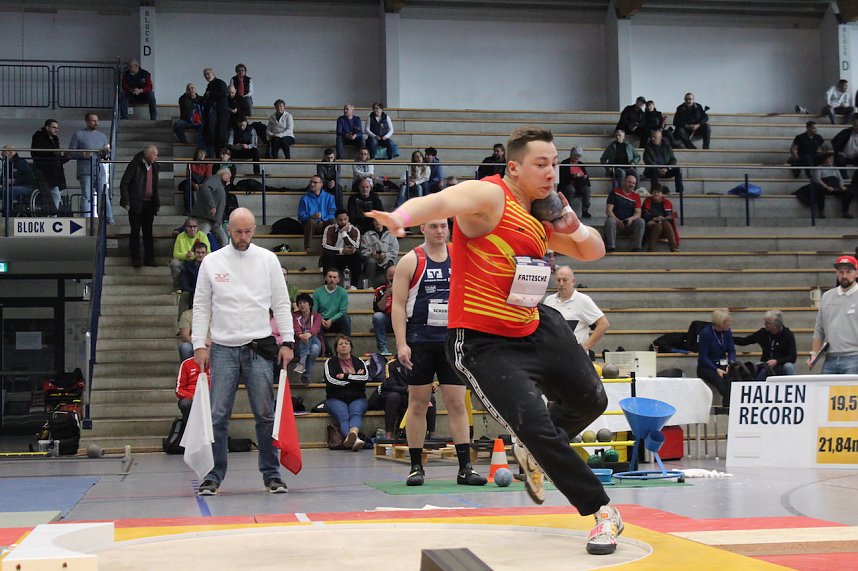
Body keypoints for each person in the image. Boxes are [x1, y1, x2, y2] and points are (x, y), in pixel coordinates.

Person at [367, 127, 622, 556]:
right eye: (541, 164)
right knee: (536, 425)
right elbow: (444, 201)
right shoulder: (491, 198)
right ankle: (601, 511)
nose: (551, 172)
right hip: (483, 343)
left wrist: (569, 221)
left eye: (555, 163)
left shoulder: (542, 216)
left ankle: (536, 450)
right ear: (514, 167)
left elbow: (593, 250)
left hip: (535, 325)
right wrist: (401, 218)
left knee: (592, 400)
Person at [192, 207, 295, 496]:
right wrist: (199, 344)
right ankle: (213, 475)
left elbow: (282, 302)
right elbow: (201, 306)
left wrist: (287, 341)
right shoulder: (211, 262)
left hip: (259, 347)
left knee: (264, 415)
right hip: (223, 348)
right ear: (228, 228)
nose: (243, 236)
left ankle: (272, 475)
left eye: (248, 231)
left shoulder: (268, 260)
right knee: (217, 416)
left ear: (254, 230)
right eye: (238, 231)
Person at [390, 218, 487, 489]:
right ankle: (416, 467)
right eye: (433, 226)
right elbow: (398, 306)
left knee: (456, 402)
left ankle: (465, 468)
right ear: (422, 229)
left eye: (444, 226)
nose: (440, 231)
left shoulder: (460, 256)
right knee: (418, 403)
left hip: (451, 340)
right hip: (420, 339)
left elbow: (473, 294)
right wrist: (401, 343)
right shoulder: (411, 260)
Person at [542, 266, 609, 357]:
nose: (561, 283)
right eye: (558, 280)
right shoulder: (549, 300)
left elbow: (603, 324)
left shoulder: (583, 300)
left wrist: (585, 346)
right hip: (553, 355)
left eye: (565, 280)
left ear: (573, 281)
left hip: (576, 357)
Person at [808, 255, 858, 374]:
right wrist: (814, 354)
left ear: (856, 273)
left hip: (855, 357)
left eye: (848, 272)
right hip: (830, 357)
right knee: (825, 391)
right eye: (841, 272)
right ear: (836, 273)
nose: (844, 276)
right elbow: (819, 328)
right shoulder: (827, 297)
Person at [368, 357, 436, 439]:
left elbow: (424, 382)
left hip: (411, 395)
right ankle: (389, 434)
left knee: (430, 398)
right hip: (394, 394)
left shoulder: (419, 363)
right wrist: (408, 389)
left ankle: (431, 434)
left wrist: (430, 386)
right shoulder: (392, 364)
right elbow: (391, 386)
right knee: (393, 397)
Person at [323, 335, 369, 451]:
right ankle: (355, 439)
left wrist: (345, 376)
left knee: (355, 413)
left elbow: (364, 378)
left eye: (346, 343)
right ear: (336, 348)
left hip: (357, 397)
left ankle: (353, 434)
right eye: (340, 344)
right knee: (344, 416)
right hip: (335, 398)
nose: (344, 346)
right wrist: (353, 380)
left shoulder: (359, 361)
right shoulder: (330, 362)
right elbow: (330, 380)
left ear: (351, 347)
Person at [119, 144, 160, 268]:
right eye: (154, 154)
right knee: (135, 232)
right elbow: (124, 183)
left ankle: (150, 259)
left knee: (148, 232)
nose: (156, 157)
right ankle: (136, 258)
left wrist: (156, 203)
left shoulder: (155, 167)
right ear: (147, 154)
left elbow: (155, 186)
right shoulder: (134, 165)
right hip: (136, 204)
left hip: (149, 204)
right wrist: (126, 201)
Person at [69, 112, 113, 222]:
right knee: (86, 196)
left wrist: (106, 152)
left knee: (103, 195)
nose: (96, 123)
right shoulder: (78, 135)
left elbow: (106, 156)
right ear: (87, 122)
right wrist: (82, 154)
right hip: (85, 170)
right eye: (93, 120)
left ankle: (108, 219)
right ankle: (85, 220)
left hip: (99, 170)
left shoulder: (102, 136)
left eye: (97, 120)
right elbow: (71, 152)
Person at [734, 310, 797, 378]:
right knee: (759, 368)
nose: (764, 324)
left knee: (789, 366)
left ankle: (795, 384)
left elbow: (792, 357)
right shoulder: (763, 333)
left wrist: (777, 361)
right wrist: (728, 338)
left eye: (767, 323)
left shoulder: (787, 334)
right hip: (765, 364)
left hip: (781, 365)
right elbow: (745, 341)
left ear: (775, 326)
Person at [696, 308, 736, 405]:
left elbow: (731, 350)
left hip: (723, 364)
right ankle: (730, 404)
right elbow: (703, 357)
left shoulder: (727, 331)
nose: (729, 323)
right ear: (720, 322)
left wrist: (730, 363)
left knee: (733, 379)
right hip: (708, 366)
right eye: (727, 321)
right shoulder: (706, 333)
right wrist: (716, 369)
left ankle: (729, 403)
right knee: (720, 381)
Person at [794, 152, 852, 219]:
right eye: (829, 159)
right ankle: (821, 212)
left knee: (847, 191)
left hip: (835, 186)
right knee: (820, 191)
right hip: (824, 186)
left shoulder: (835, 168)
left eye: (832, 159)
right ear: (824, 160)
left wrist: (842, 186)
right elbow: (817, 179)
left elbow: (840, 179)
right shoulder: (819, 168)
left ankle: (845, 212)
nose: (831, 160)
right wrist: (826, 187)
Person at [30, 118, 68, 213]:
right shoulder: (38, 136)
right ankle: (52, 215)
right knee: (53, 195)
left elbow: (56, 158)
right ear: (47, 127)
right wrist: (53, 152)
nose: (56, 130)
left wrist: (66, 157)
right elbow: (36, 152)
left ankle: (52, 215)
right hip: (43, 171)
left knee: (54, 194)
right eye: (54, 127)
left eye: (57, 128)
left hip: (53, 172)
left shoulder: (55, 139)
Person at [604, 173, 645, 253]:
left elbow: (638, 213)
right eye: (629, 182)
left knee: (641, 221)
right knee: (610, 220)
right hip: (616, 224)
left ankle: (637, 248)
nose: (631, 185)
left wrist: (631, 219)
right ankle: (611, 247)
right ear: (624, 182)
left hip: (629, 225)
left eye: (633, 183)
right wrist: (618, 221)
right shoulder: (614, 193)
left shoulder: (636, 196)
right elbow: (609, 211)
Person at [321, 209, 362, 287]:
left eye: (345, 219)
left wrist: (343, 233)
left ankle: (354, 286)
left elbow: (355, 246)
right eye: (340, 220)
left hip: (348, 258)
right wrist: (341, 251)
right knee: (327, 254)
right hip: (335, 257)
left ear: (348, 219)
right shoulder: (329, 229)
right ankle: (328, 284)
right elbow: (326, 246)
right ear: (336, 220)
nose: (343, 222)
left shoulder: (354, 230)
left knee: (357, 255)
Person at [191, 168, 229, 249]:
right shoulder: (215, 179)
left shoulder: (220, 183)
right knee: (199, 241)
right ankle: (193, 258)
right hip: (206, 218)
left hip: (214, 220)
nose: (230, 177)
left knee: (224, 241)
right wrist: (212, 205)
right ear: (222, 174)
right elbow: (205, 188)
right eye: (228, 174)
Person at [298, 175, 337, 252]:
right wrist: (311, 216)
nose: (312, 184)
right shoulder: (304, 198)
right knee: (310, 221)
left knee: (333, 221)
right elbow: (301, 216)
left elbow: (332, 213)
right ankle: (307, 248)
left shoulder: (329, 197)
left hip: (325, 223)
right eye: (311, 182)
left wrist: (322, 220)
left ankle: (331, 247)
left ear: (321, 184)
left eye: (315, 182)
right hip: (311, 225)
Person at [170, 218, 211, 290]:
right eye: (190, 226)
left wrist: (195, 256)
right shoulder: (180, 236)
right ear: (185, 228)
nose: (192, 229)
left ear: (197, 227)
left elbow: (208, 252)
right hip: (185, 260)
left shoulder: (202, 236)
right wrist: (185, 256)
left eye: (194, 226)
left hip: (197, 260)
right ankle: (178, 286)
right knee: (174, 263)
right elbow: (175, 254)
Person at [291, 293, 323, 385]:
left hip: (314, 338)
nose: (302, 305)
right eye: (300, 303)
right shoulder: (294, 316)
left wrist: (308, 334)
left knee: (311, 340)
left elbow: (316, 328)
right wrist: (301, 335)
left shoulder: (317, 315)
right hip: (299, 342)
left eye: (304, 302)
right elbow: (296, 328)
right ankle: (306, 375)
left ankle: (302, 362)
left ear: (309, 304)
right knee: (314, 349)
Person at [313, 268, 352, 338]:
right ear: (325, 278)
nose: (332, 279)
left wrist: (331, 320)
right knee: (315, 322)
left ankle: (346, 343)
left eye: (334, 277)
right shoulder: (317, 292)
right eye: (330, 277)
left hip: (336, 321)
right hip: (322, 321)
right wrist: (321, 320)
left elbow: (343, 311)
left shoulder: (343, 292)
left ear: (338, 280)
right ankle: (325, 348)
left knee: (346, 318)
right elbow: (314, 311)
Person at [643, 129, 684, 194]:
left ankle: (679, 192)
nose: (653, 139)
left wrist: (667, 168)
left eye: (655, 137)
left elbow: (673, 160)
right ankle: (654, 191)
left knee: (678, 169)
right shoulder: (648, 147)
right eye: (652, 137)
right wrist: (658, 169)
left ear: (660, 138)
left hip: (666, 170)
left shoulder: (667, 146)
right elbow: (648, 161)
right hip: (653, 170)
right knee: (653, 171)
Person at [360, 218, 399, 288]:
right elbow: (363, 251)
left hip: (386, 260)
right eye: (376, 221)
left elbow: (394, 252)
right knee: (371, 261)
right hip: (372, 260)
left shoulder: (391, 235)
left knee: (390, 262)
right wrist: (371, 254)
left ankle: (390, 286)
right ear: (373, 223)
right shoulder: (367, 235)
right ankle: (370, 286)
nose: (378, 223)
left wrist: (385, 255)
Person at [641, 184, 679, 252]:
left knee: (666, 223)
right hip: (650, 226)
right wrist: (654, 219)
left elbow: (671, 217)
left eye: (658, 192)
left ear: (661, 193)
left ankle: (673, 248)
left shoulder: (667, 202)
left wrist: (663, 218)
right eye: (654, 192)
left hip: (664, 226)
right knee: (658, 226)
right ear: (651, 193)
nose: (656, 194)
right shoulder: (647, 201)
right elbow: (644, 216)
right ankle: (651, 249)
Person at [176, 354, 210, 427]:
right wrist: (192, 397)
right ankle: (191, 429)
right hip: (191, 398)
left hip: (210, 397)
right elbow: (179, 389)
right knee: (185, 403)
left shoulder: (216, 364)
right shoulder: (186, 364)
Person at [1, 146, 36, 216]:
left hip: (26, 187)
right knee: (7, 190)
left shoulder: (21, 162)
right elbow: (2, 178)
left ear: (10, 153)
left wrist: (14, 181)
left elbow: (31, 177)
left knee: (8, 191)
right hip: (10, 186)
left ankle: (8, 215)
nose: (1, 154)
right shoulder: (6, 164)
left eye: (3, 152)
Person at [558, 146, 591, 219]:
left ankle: (585, 210)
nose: (577, 157)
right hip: (568, 184)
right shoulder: (565, 163)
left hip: (580, 185)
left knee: (587, 189)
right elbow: (562, 178)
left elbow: (587, 178)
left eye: (578, 156)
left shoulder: (581, 164)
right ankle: (568, 210)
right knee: (570, 189)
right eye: (575, 155)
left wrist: (584, 177)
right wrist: (573, 176)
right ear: (571, 154)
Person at [202, 68, 229, 155]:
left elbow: (224, 93)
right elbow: (204, 98)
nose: (207, 76)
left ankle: (225, 157)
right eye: (205, 74)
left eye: (208, 73)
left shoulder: (220, 82)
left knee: (221, 134)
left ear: (213, 73)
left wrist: (210, 93)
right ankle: (218, 157)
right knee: (215, 136)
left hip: (221, 113)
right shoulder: (209, 85)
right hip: (213, 115)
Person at [178, 242, 208, 317]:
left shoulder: (212, 266)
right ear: (194, 253)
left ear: (206, 253)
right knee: (185, 294)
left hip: (208, 292)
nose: (200, 255)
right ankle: (182, 321)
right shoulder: (188, 267)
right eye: (198, 252)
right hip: (192, 292)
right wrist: (195, 291)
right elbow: (184, 284)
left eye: (203, 252)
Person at [371, 265, 397, 354]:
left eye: (395, 275)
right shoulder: (380, 290)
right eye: (390, 275)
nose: (392, 278)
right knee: (377, 317)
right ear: (386, 276)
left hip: (403, 320)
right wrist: (387, 295)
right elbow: (378, 309)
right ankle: (383, 350)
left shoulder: (407, 288)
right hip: (388, 321)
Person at [179, 148, 211, 215]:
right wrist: (193, 184)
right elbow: (188, 176)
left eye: (204, 154)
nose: (202, 155)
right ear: (196, 154)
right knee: (187, 186)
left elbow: (208, 177)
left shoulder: (207, 164)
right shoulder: (191, 164)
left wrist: (201, 185)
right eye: (200, 153)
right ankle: (189, 209)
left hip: (202, 182)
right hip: (192, 181)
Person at [173, 83, 204, 148]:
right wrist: (188, 96)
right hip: (186, 121)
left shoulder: (201, 99)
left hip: (198, 122)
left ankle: (200, 146)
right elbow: (185, 105)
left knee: (204, 126)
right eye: (189, 88)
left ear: (196, 89)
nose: (191, 90)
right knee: (177, 124)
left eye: (192, 88)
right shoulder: (183, 99)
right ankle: (184, 142)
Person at [831, 117, 858, 191]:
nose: (856, 127)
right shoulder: (846, 132)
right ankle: (845, 178)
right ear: (853, 125)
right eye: (855, 125)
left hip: (856, 157)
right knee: (840, 158)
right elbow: (834, 141)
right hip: (844, 156)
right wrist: (839, 152)